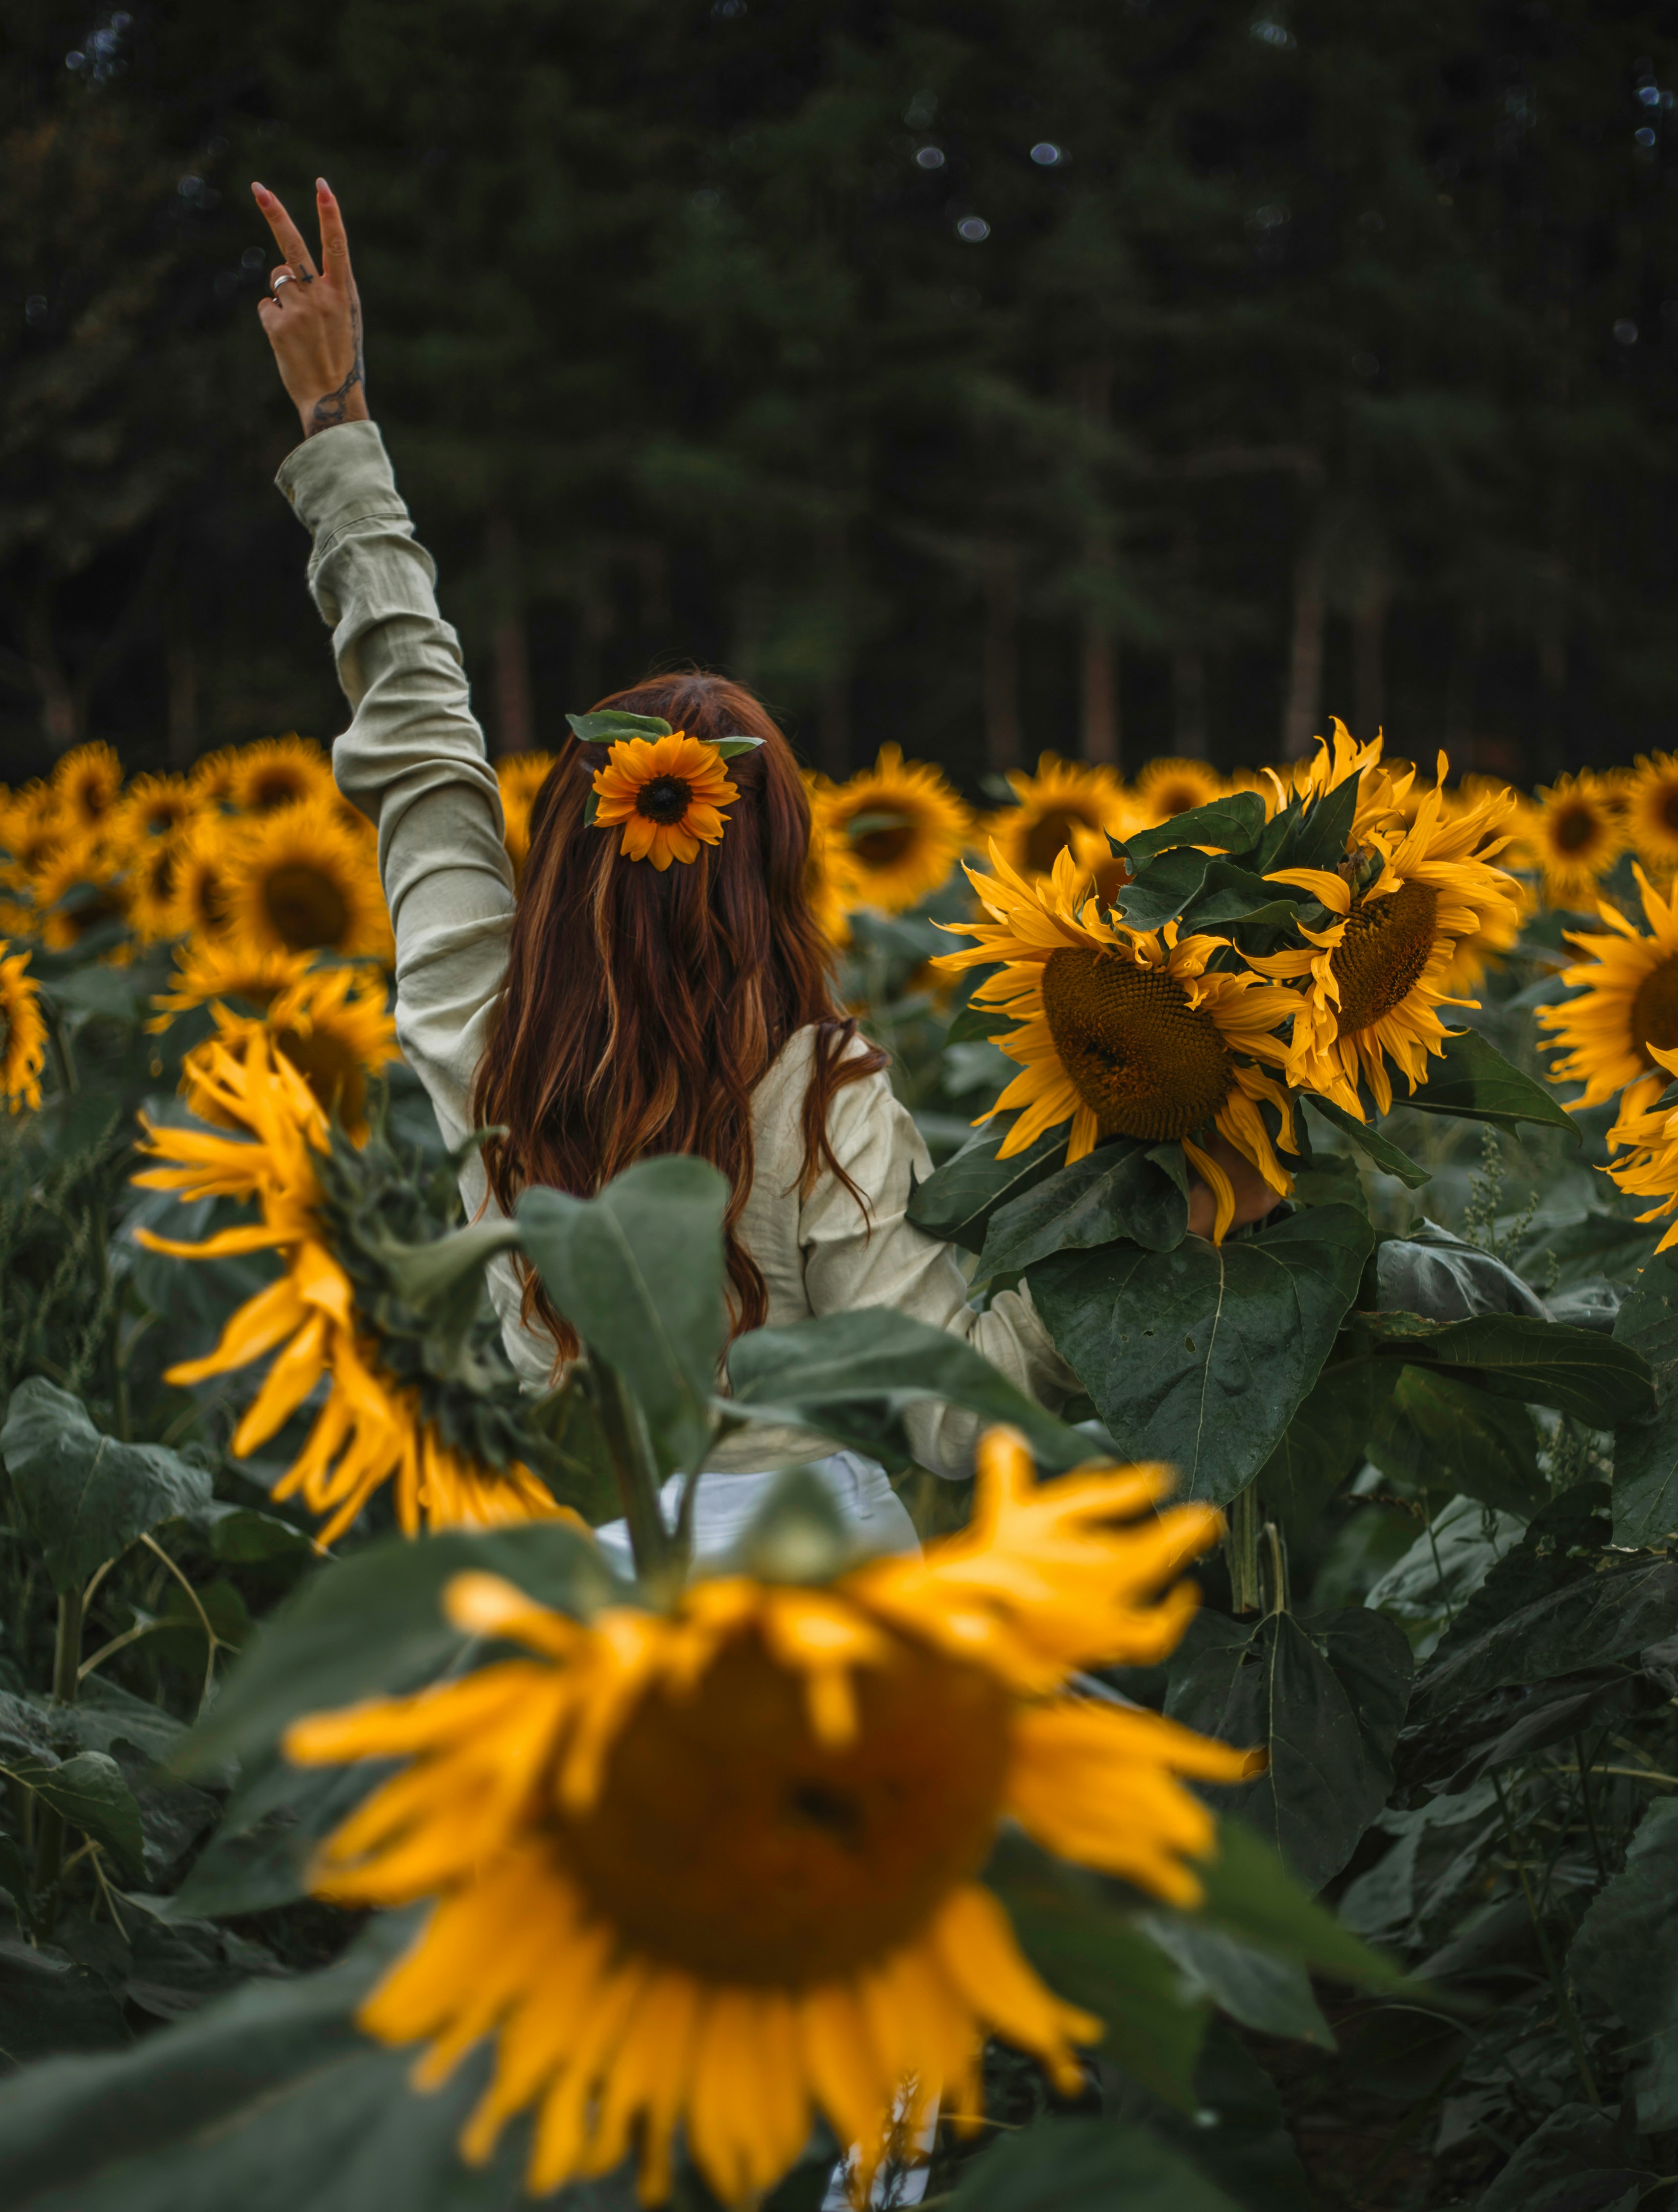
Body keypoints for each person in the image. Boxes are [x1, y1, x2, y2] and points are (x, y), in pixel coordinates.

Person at [248, 177, 1095, 1566]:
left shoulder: (488, 1039)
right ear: (776, 877)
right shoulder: (822, 1090)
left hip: (588, 1574)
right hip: (819, 1580)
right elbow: (963, 1414)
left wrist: (338, 428)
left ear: (570, 855)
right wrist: (1156, 1195)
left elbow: (418, 748)